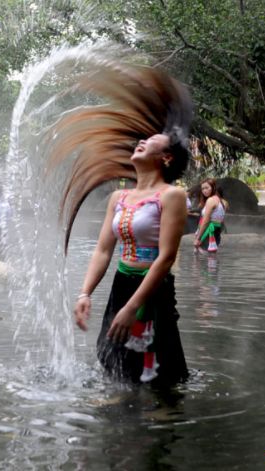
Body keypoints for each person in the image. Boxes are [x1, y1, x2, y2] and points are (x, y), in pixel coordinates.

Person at [47, 65, 192, 385]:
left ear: (166, 158)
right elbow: (102, 250)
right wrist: (84, 293)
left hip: (151, 290)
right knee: (113, 358)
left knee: (158, 368)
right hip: (122, 283)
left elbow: (166, 258)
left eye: (151, 141)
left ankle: (161, 421)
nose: (140, 141)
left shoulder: (171, 196)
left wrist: (133, 307)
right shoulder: (119, 198)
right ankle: (122, 417)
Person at [194, 178, 228, 253]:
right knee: (211, 258)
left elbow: (206, 221)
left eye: (207, 188)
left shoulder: (210, 200)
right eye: (202, 189)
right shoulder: (221, 201)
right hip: (216, 233)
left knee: (202, 259)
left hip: (208, 233)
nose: (204, 191)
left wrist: (198, 238)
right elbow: (220, 220)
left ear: (213, 187)